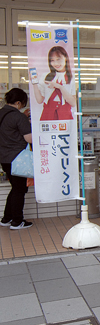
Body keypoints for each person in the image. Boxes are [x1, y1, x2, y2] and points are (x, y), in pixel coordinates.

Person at [0, 88, 34, 230]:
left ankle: (6, 218)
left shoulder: (2, 113)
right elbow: (29, 139)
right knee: (19, 190)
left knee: (15, 188)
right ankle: (17, 221)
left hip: (4, 158)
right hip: (18, 159)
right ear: (19, 102)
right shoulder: (18, 117)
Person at [31, 46, 76, 121]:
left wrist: (60, 87)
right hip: (48, 115)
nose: (56, 63)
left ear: (65, 58)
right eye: (52, 60)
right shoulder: (46, 76)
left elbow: (73, 103)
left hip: (65, 116)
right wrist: (34, 84)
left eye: (58, 59)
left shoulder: (71, 77)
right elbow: (39, 100)